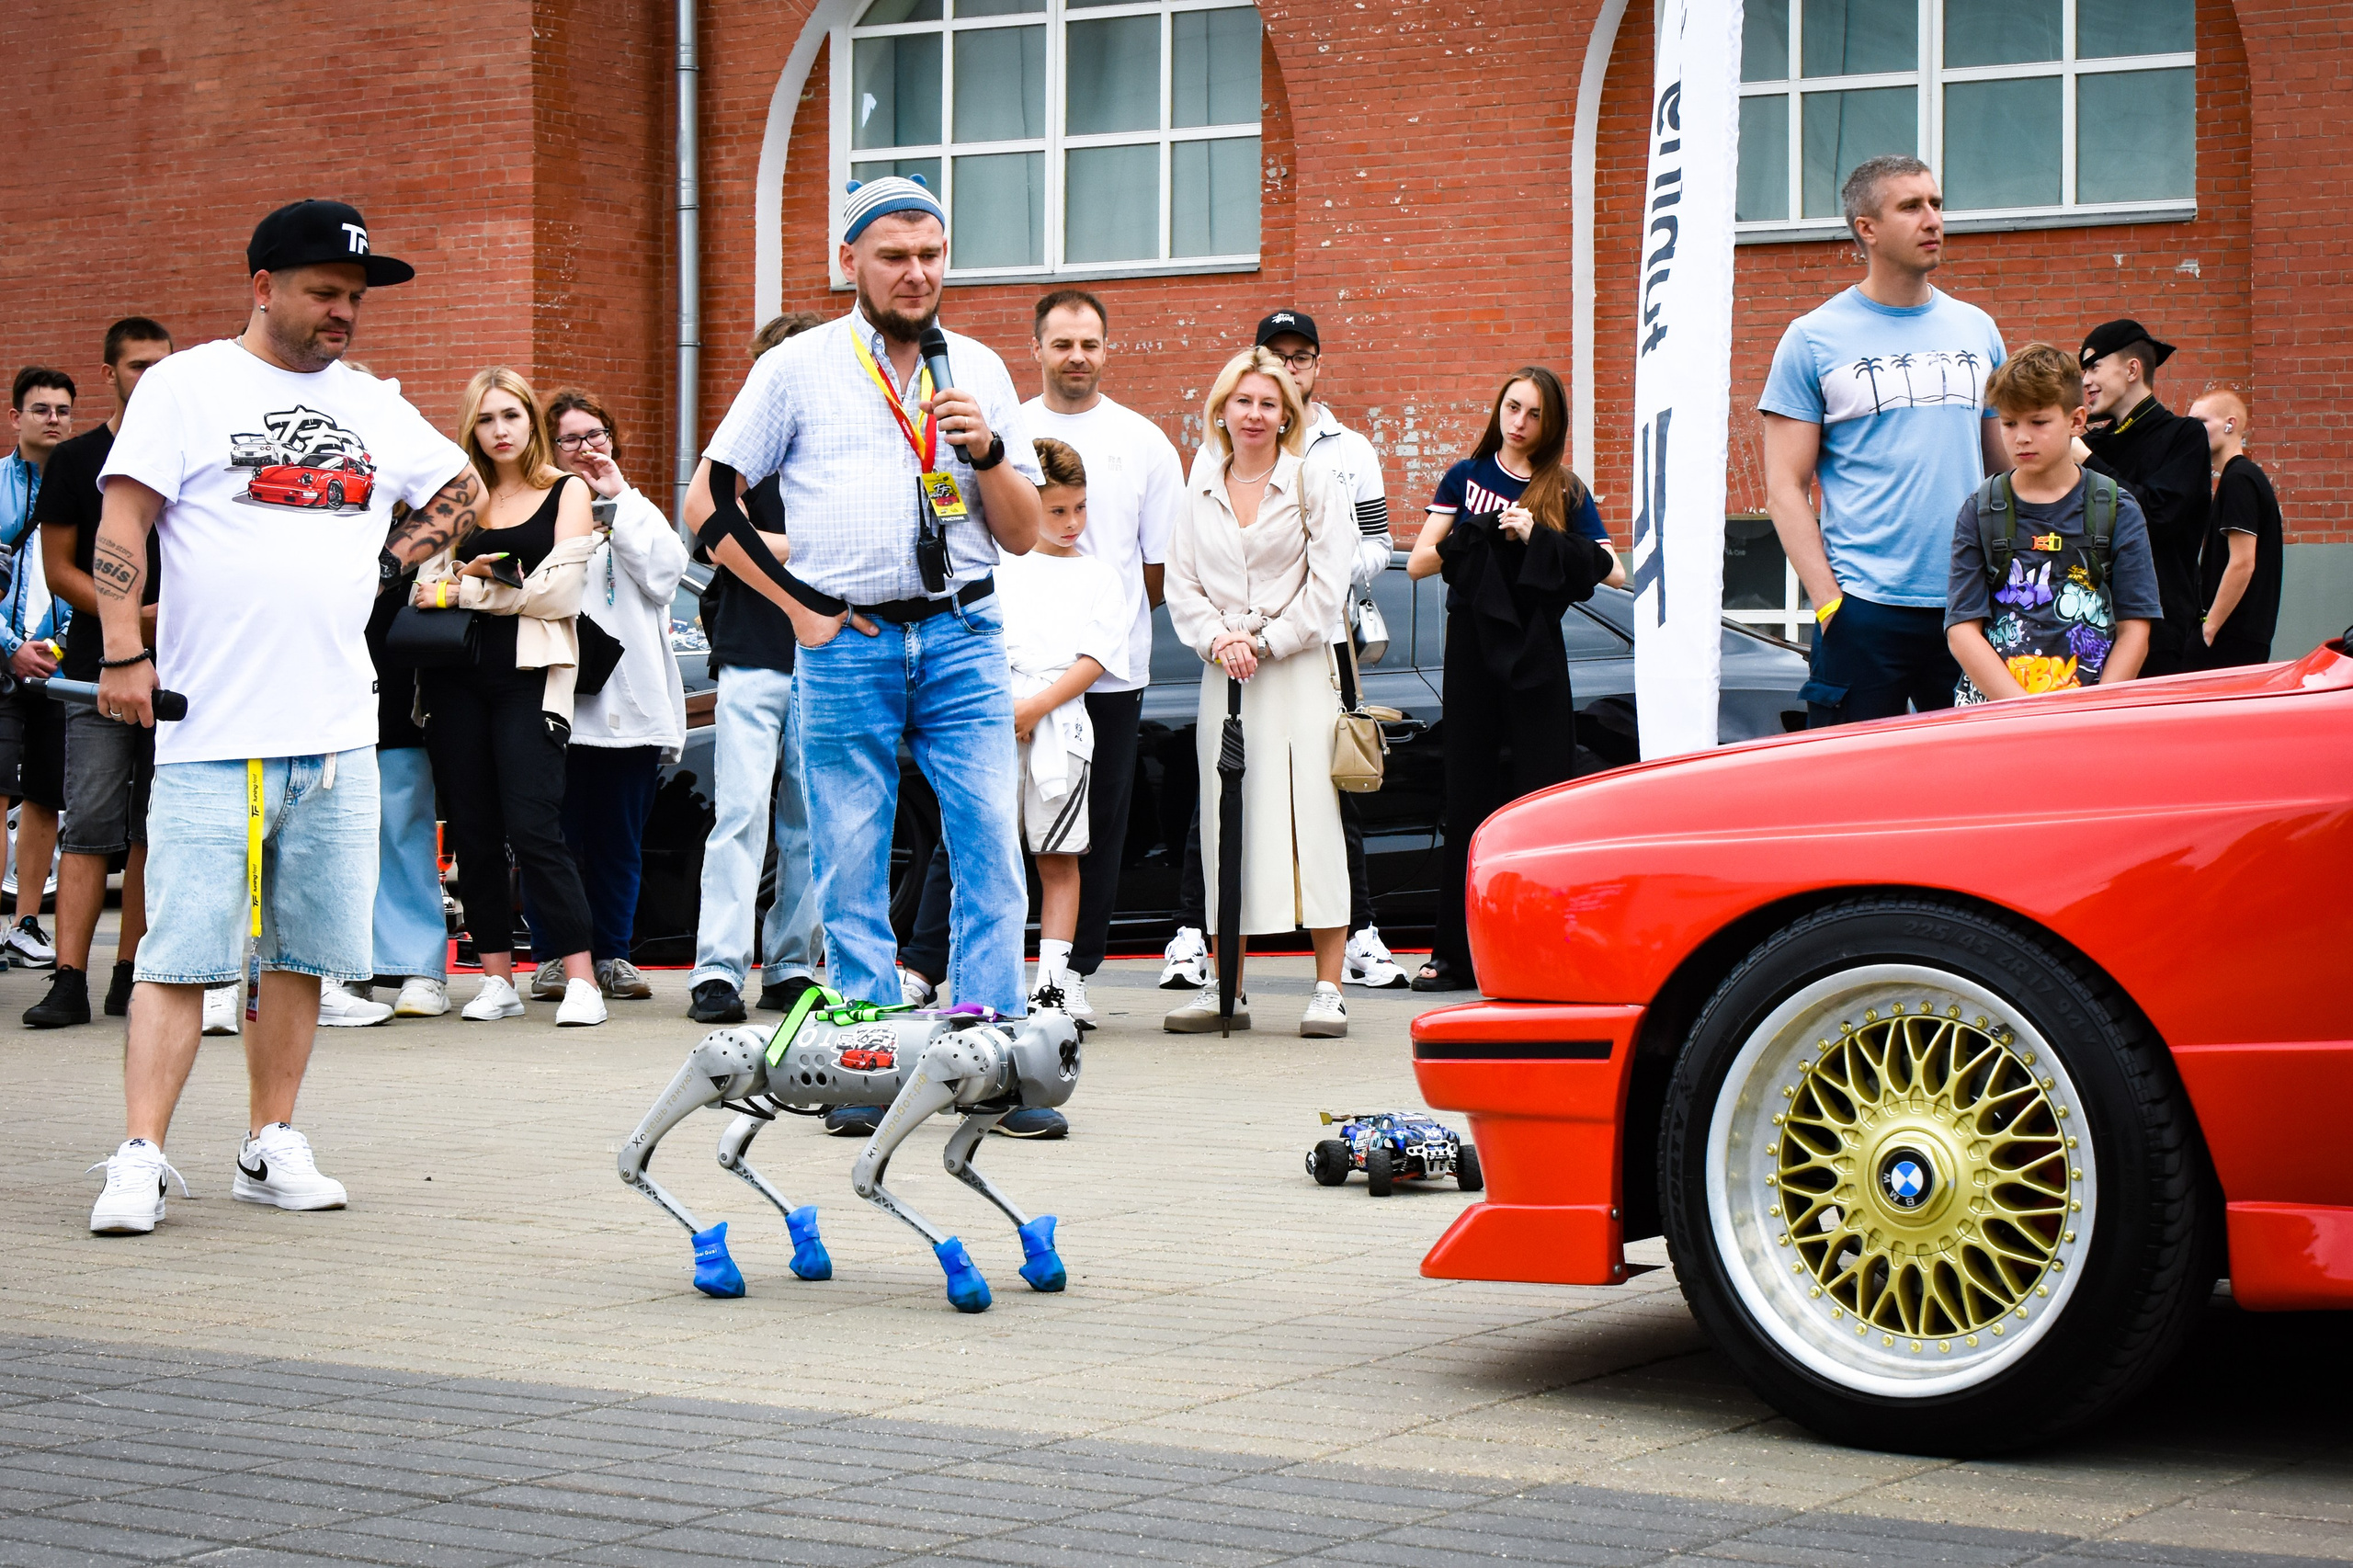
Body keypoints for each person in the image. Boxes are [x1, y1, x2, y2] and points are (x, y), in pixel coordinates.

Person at [85, 198, 478, 1235]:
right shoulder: (189, 385)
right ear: (263, 287)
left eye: (353, 297)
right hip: (214, 725)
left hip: (339, 728)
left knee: (300, 953)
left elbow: (460, 487)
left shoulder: (373, 403)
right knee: (180, 953)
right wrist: (123, 648)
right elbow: (123, 516)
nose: (342, 312)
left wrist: (382, 569)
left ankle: (269, 1141)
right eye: (323, 293)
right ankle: (140, 1155)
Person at [683, 176, 1042, 1021]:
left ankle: (988, 1046)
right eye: (894, 257)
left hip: (963, 630)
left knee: (990, 844)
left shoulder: (980, 368)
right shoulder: (795, 367)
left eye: (931, 254)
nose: (916, 273)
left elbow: (1025, 534)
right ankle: (867, 1053)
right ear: (850, 261)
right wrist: (801, 607)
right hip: (849, 640)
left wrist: (986, 451)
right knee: (851, 857)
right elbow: (706, 503)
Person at [1760, 153, 2008, 727]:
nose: (1933, 220)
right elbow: (1784, 488)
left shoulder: (1978, 329)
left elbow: (2007, 473)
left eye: (1937, 204)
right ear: (1866, 228)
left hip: (1970, 608)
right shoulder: (1812, 339)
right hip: (1863, 612)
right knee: (1854, 797)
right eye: (1911, 206)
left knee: (1977, 787)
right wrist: (1829, 604)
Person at [1405, 367, 1620, 994]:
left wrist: (1538, 535)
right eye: (1511, 407)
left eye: (1532, 414)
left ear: (1549, 425)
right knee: (1468, 803)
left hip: (1537, 662)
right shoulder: (1465, 477)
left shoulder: (1564, 488)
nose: (1519, 422)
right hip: (1472, 656)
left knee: (1542, 805)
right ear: (1497, 409)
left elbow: (1611, 569)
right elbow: (1419, 561)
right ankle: (1453, 955)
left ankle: (1547, 953)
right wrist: (1477, 532)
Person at [1161, 347, 1353, 1037]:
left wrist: (1264, 642)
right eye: (1243, 401)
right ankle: (1227, 988)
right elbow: (1181, 582)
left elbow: (1328, 591)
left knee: (1312, 820)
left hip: (1296, 672)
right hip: (1226, 674)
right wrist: (1220, 639)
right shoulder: (1200, 481)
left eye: (1269, 404)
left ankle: (1328, 988)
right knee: (1226, 821)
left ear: (1287, 414)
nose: (1254, 414)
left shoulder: (1314, 481)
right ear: (1222, 408)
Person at [1006, 290, 1183, 1025]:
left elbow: (1158, 569)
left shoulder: (1143, 443)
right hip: (1012, 674)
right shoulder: (1005, 431)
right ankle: (956, 966)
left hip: (1107, 672)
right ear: (1038, 348)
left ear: (1107, 349)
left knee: (1095, 828)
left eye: (1090, 344)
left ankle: (1073, 975)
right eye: (1062, 343)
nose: (1077, 357)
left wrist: (1098, 626)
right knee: (992, 823)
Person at [412, 368, 603, 1027]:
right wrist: (473, 586)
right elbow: (419, 588)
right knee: (473, 833)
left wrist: (468, 587)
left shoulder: (566, 490)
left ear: (530, 423)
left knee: (534, 826)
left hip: (530, 677)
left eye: (511, 417)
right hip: (454, 679)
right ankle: (496, 979)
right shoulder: (457, 498)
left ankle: (581, 978)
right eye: (487, 419)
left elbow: (559, 594)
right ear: (473, 426)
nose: (500, 430)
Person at [517, 390, 688, 1004]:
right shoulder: (539, 504)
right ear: (550, 446)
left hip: (631, 704)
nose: (587, 449)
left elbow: (668, 573)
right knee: (551, 840)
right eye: (571, 439)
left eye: (597, 436)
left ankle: (613, 954)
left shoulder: (633, 507)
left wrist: (618, 497)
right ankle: (554, 959)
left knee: (618, 842)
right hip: (559, 701)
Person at [25, 321, 172, 1028]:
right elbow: (57, 571)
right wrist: (134, 617)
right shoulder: (78, 458)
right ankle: (67, 979)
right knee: (88, 825)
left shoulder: (189, 452)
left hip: (182, 673)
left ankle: (130, 974)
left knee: (152, 830)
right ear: (109, 371)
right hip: (96, 671)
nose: (151, 378)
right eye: (138, 366)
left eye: (162, 367)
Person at [686, 312, 828, 1026]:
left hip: (828, 657)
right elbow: (711, 533)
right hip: (754, 653)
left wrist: (768, 542)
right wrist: (796, 544)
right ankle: (716, 970)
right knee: (740, 814)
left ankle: (791, 967)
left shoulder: (835, 447)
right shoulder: (739, 447)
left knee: (811, 822)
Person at [1947, 343, 2160, 699]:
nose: (2022, 437)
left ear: (2077, 421)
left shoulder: (2117, 508)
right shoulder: (1981, 509)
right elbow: (1962, 630)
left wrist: (2095, 711)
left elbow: (2136, 628)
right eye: (2009, 423)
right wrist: (2023, 712)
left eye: (2039, 421)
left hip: (2089, 718)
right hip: (1996, 717)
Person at [1005, 438, 1127, 1018]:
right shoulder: (1000, 565)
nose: (1073, 522)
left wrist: (1036, 706)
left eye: (1081, 508)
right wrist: (1006, 706)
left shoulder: (1100, 578)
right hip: (995, 719)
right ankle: (990, 974)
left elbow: (1094, 660)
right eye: (1058, 510)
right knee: (989, 855)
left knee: (1059, 858)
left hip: (1060, 726)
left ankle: (1052, 984)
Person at [2075, 320, 2210, 677]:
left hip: (2160, 630)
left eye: (2093, 366)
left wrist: (2085, 461)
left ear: (2132, 369)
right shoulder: (2093, 443)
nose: (2085, 380)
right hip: (2087, 625)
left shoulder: (2185, 436)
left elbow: (2157, 517)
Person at [0, 366, 75, 971]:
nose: (53, 419)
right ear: (16, 416)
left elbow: (98, 575)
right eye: (41, 409)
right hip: (1, 661)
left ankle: (27, 924)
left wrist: (62, 647)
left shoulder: (84, 486)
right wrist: (9, 645)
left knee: (47, 796)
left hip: (59, 669)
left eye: (62, 410)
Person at [359, 511, 449, 1019]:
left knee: (404, 829)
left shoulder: (435, 503)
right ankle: (349, 968)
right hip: (330, 687)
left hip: (405, 690)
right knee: (338, 842)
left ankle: (421, 966)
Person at [2188, 390, 2284, 666]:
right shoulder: (2239, 477)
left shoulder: (2239, 479)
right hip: (2239, 636)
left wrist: (2209, 628)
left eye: (2200, 422)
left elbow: (2243, 563)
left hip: (2230, 638)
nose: (2192, 431)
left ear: (2229, 424)